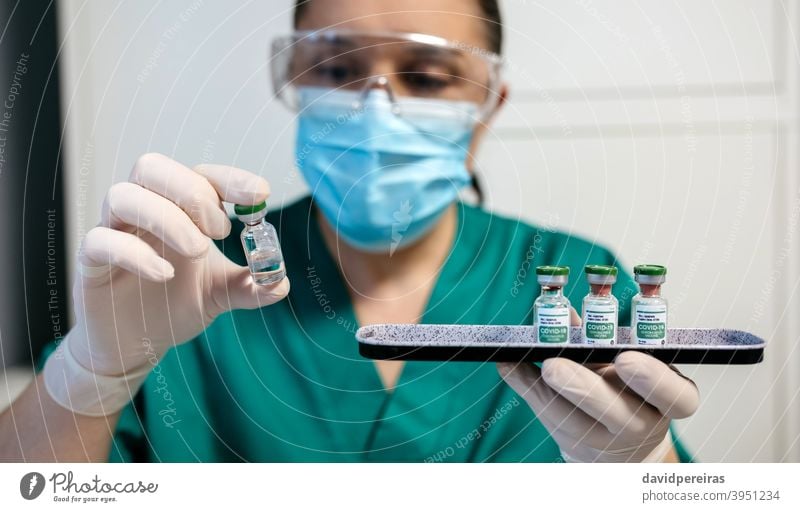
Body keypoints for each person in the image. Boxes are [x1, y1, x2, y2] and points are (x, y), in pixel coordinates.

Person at [0, 0, 698, 462]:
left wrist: (646, 474)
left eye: (426, 77)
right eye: (336, 69)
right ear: (297, 77)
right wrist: (91, 372)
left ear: (487, 104)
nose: (376, 111)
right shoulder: (192, 280)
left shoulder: (571, 280)